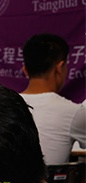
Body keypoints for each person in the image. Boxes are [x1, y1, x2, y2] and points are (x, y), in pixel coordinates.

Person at [19, 33, 86, 165]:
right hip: (49, 179)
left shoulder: (3, 106)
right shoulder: (74, 112)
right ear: (59, 68)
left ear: (25, 70)